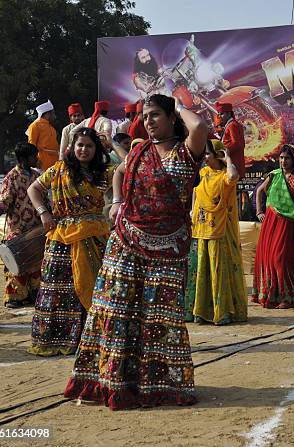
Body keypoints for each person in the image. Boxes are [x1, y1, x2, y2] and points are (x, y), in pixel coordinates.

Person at [64, 94, 208, 410]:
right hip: (126, 241)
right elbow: (118, 173)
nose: (148, 121)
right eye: (144, 116)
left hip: (167, 247)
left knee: (160, 317)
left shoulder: (186, 153)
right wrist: (116, 202)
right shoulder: (140, 149)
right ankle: (113, 382)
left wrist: (178, 102)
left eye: (156, 115)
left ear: (173, 119)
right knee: (115, 309)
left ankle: (157, 385)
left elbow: (200, 125)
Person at [27, 128, 114, 356]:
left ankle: (92, 338)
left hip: (94, 238)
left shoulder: (104, 173)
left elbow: (128, 168)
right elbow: (33, 189)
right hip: (61, 238)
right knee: (61, 290)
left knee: (96, 287)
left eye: (89, 146)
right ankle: (58, 339)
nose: (84, 150)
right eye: (80, 145)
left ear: (97, 150)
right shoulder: (58, 171)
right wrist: (43, 212)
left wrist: (113, 145)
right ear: (72, 148)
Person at [187, 139, 247, 325]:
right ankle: (200, 312)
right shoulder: (202, 173)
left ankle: (222, 311)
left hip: (218, 230)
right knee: (200, 270)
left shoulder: (224, 176)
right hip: (200, 227)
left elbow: (233, 176)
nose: (204, 157)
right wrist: (191, 211)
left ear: (217, 154)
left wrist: (228, 159)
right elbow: (195, 193)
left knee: (217, 270)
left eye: (207, 153)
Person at [252, 145, 294, 308]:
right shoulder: (274, 175)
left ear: (293, 160)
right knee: (270, 258)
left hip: (288, 223)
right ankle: (271, 295)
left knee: (282, 259)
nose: (283, 161)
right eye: (281, 158)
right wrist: (259, 211)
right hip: (271, 221)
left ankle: (288, 297)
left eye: (287, 158)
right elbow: (259, 191)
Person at [0, 143, 41, 307]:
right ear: (24, 158)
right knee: (17, 263)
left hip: (35, 227)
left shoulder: (35, 175)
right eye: (34, 156)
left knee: (36, 262)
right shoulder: (11, 177)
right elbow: (4, 200)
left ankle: (33, 294)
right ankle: (15, 297)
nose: (37, 159)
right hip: (18, 227)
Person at [214, 102, 245, 178]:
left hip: (234, 162)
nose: (219, 116)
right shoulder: (230, 124)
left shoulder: (232, 125)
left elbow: (237, 143)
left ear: (228, 114)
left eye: (221, 114)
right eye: (218, 114)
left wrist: (221, 150)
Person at [26, 100, 59, 170]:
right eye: (53, 113)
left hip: (54, 165)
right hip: (40, 165)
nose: (55, 116)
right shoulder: (35, 125)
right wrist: (36, 161)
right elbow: (31, 146)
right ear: (47, 114)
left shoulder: (51, 128)